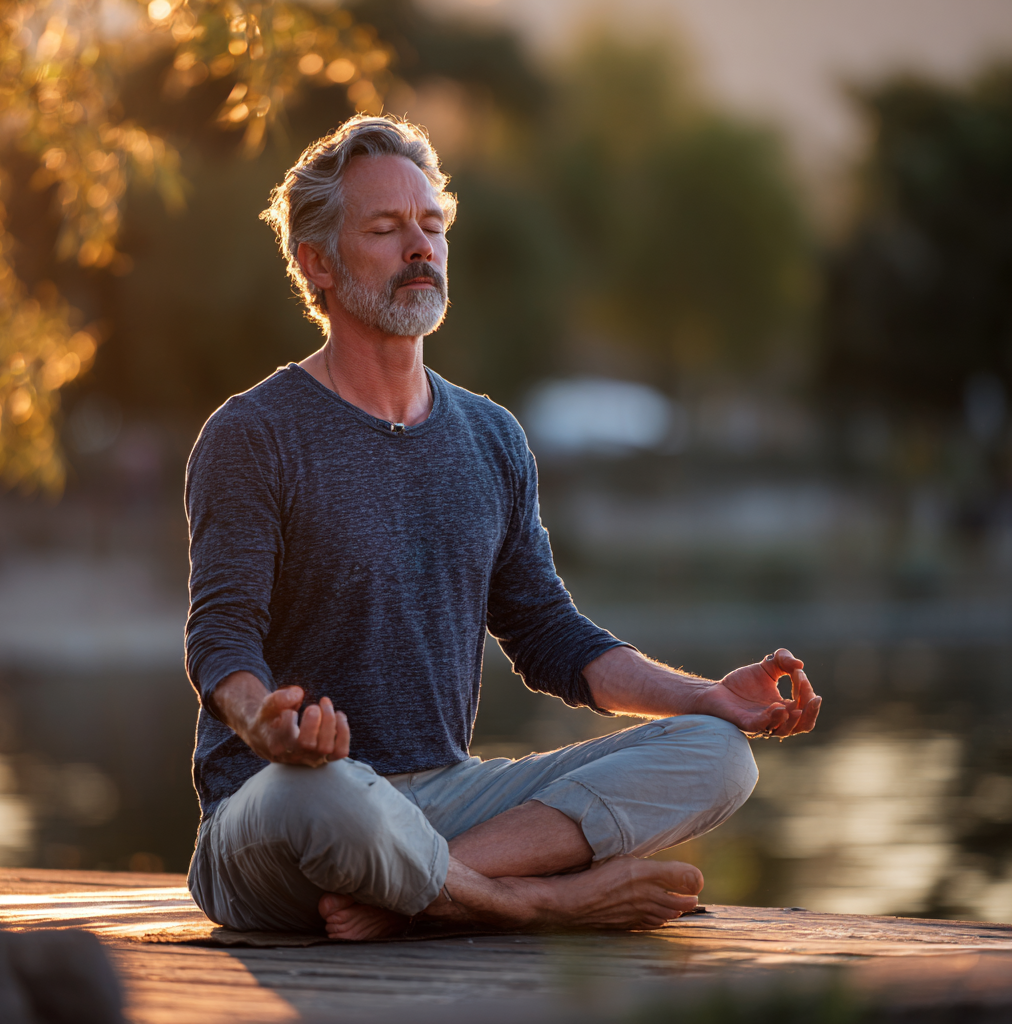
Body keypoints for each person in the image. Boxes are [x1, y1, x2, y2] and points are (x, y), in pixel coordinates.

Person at [184, 115, 821, 942]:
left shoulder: (490, 438)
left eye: (432, 224)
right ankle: (537, 901)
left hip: (446, 800)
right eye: (385, 228)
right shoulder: (253, 434)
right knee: (333, 791)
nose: (420, 245)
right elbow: (220, 637)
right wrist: (260, 721)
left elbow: (550, 635)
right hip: (284, 808)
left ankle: (424, 888)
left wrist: (705, 696)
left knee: (718, 754)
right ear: (317, 264)